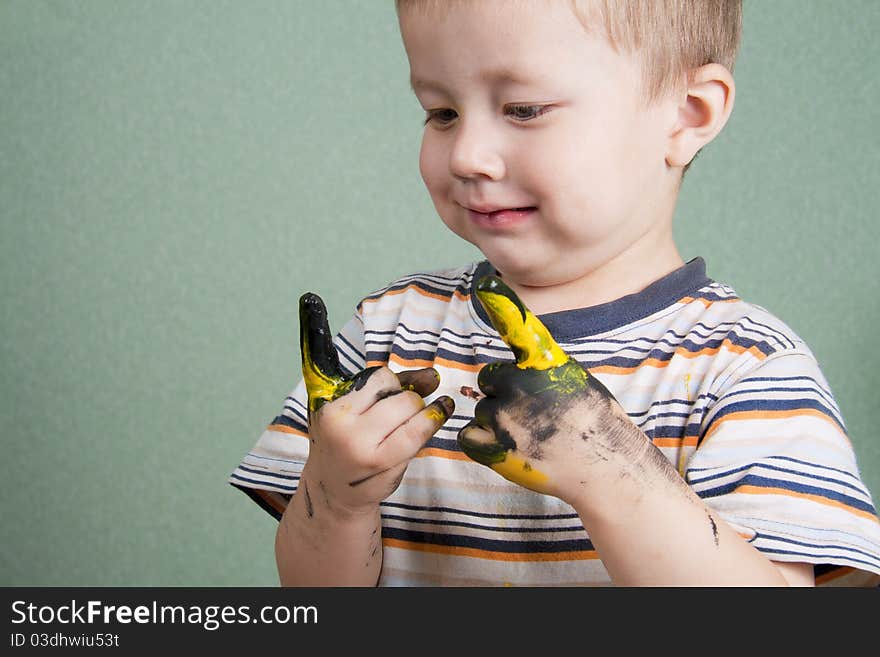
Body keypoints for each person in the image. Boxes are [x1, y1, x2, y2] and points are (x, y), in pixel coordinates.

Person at [229, 0, 880, 586]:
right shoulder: (390, 332)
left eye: (524, 109)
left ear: (686, 115)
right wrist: (337, 496)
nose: (468, 155)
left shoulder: (747, 371)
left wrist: (613, 470)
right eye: (441, 112)